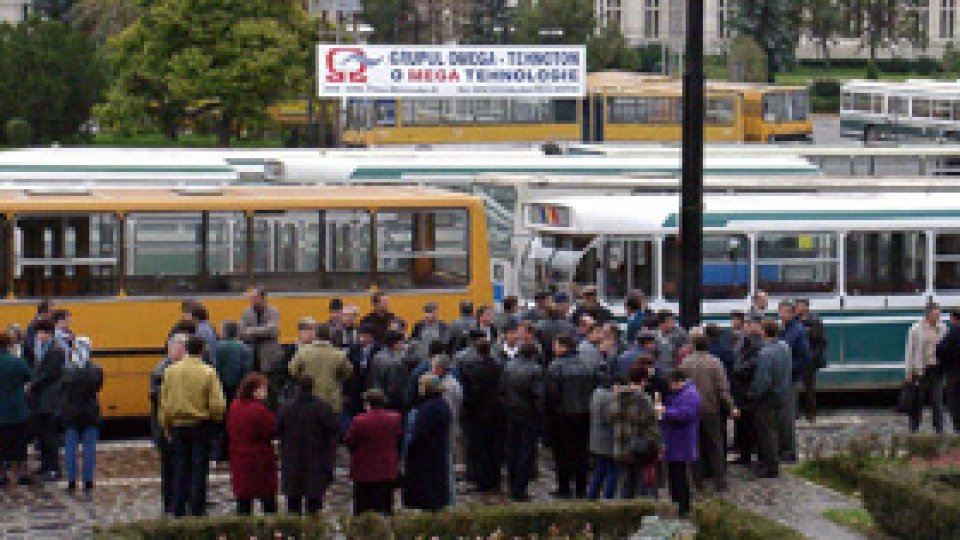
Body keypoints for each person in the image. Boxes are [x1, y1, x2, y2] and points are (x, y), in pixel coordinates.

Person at [158, 335, 227, 517]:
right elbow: (217, 404)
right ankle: (197, 507)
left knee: (180, 467)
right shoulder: (208, 372)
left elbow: (164, 401)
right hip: (200, 425)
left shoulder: (170, 371)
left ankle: (178, 506)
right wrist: (216, 419)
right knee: (199, 468)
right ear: (202, 350)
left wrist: (165, 425)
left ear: (186, 348)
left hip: (177, 425)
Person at [547, 334, 602, 499]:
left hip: (563, 416)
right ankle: (581, 487)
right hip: (585, 414)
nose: (553, 348)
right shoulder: (587, 364)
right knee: (581, 453)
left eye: (555, 345)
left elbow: (552, 395)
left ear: (564, 347)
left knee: (562, 453)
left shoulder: (556, 366)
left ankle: (564, 487)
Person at [680, 330, 735, 492]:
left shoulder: (685, 363)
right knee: (715, 446)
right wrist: (731, 406)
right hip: (711, 409)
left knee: (694, 446)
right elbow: (723, 388)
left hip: (691, 410)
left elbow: (679, 386)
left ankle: (697, 482)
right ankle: (720, 481)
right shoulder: (715, 362)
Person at [277, 376, 339, 514]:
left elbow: (278, 430)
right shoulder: (323, 408)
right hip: (316, 462)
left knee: (292, 506)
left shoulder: (286, 408)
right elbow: (333, 433)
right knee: (315, 507)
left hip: (292, 462)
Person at [344, 388, 403, 515]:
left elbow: (349, 441)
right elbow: (398, 439)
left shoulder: (359, 421)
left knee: (363, 508)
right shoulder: (395, 418)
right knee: (385, 507)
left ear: (367, 403)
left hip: (364, 471)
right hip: (387, 470)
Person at [226, 373, 278, 515]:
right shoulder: (259, 410)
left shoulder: (234, 406)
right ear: (254, 391)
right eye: (264, 389)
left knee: (243, 500)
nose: (266, 393)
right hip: (260, 459)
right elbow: (272, 429)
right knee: (267, 500)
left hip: (239, 457)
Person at [458, 338, 504, 493]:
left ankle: (482, 480)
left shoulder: (472, 369)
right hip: (496, 413)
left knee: (480, 448)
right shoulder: (498, 367)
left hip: (477, 414)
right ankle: (494, 479)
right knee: (495, 447)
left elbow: (470, 393)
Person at [609, 364, 662, 499]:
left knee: (624, 488)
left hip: (620, 448)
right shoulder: (643, 399)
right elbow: (651, 427)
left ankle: (624, 517)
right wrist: (659, 447)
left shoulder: (616, 397)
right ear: (643, 380)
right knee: (641, 489)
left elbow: (611, 419)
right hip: (639, 450)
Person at [501, 342, 545, 501]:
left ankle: (512, 484)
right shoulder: (535, 370)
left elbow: (502, 389)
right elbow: (538, 396)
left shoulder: (508, 366)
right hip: (528, 415)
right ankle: (520, 489)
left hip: (512, 413)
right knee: (526, 453)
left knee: (512, 450)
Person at [403, 374, 453, 511]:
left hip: (426, 456)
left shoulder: (428, 409)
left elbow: (419, 434)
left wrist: (410, 449)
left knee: (427, 491)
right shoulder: (442, 405)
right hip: (437, 452)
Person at [749, 320, 792, 478]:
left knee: (767, 432)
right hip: (782, 393)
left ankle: (771, 466)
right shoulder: (785, 347)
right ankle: (775, 461)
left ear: (764, 332)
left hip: (767, 398)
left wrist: (754, 394)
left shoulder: (765, 353)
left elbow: (763, 380)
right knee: (776, 429)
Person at [151, 333, 187, 515]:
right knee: (170, 466)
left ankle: (176, 501)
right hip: (166, 427)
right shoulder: (163, 370)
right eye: (181, 349)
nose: (184, 353)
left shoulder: (166, 368)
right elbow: (158, 398)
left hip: (170, 426)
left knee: (177, 465)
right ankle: (171, 502)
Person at [61, 337, 103, 494]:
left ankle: (71, 480)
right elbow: (98, 388)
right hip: (90, 412)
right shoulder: (96, 370)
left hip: (71, 413)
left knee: (70, 448)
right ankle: (88, 480)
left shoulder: (67, 370)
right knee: (89, 449)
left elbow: (63, 390)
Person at [659, 369, 701, 518]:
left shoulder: (690, 394)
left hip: (681, 441)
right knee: (674, 474)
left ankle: (683, 506)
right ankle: (677, 503)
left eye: (671, 384)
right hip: (675, 440)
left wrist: (665, 412)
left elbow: (686, 414)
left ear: (678, 382)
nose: (670, 387)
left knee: (679, 476)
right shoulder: (683, 393)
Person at [288, 320, 353, 415]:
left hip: (309, 398)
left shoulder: (303, 352)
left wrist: (303, 379)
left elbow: (292, 370)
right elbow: (348, 373)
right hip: (331, 399)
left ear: (316, 335)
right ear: (330, 336)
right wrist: (337, 378)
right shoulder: (339, 354)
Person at [30, 318, 66, 481]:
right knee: (42, 434)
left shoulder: (55, 350)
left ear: (49, 333)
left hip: (50, 398)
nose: (39, 336)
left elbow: (50, 375)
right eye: (38, 333)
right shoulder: (43, 348)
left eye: (42, 333)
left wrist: (32, 385)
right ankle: (45, 465)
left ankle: (53, 468)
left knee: (50, 435)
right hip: (41, 398)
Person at [906, 303, 948, 434]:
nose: (938, 317)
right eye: (935, 314)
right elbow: (910, 351)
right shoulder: (916, 329)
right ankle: (914, 426)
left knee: (937, 400)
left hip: (937, 367)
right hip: (921, 368)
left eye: (938, 314)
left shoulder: (942, 328)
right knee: (918, 400)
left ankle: (939, 428)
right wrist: (909, 371)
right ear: (928, 314)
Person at [214, 321, 253, 461]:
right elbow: (247, 370)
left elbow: (214, 368)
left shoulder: (217, 348)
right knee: (237, 420)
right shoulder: (245, 349)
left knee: (222, 421)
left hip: (221, 388)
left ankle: (220, 452)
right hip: (238, 389)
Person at [777, 301, 811, 461]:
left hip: (790, 379)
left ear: (791, 313)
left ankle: (789, 451)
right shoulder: (784, 330)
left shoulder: (797, 331)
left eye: (784, 312)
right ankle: (783, 448)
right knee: (781, 416)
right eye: (780, 311)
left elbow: (804, 356)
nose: (781, 315)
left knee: (787, 416)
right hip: (783, 378)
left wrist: (790, 371)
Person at [0, 330, 33, 487]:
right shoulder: (17, 362)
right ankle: (22, 474)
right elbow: (29, 378)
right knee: (20, 443)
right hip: (17, 409)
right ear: (9, 344)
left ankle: (2, 474)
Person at [731, 316, 763, 465]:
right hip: (742, 389)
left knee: (751, 424)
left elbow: (753, 362)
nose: (746, 327)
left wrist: (739, 369)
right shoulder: (744, 340)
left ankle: (750, 454)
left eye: (749, 324)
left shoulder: (757, 343)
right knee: (744, 423)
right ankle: (745, 453)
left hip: (748, 388)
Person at [794, 299, 826, 423]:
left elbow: (821, 341)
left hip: (809, 359)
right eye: (796, 306)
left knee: (809, 388)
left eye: (799, 306)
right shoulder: (794, 321)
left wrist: (813, 356)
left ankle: (811, 413)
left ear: (806, 307)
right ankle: (795, 413)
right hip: (796, 359)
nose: (797, 308)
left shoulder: (814, 321)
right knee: (794, 387)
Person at [238, 286, 281, 374]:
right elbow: (241, 332)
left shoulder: (273, 312)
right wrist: (263, 330)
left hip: (268, 355)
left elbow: (272, 330)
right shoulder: (246, 313)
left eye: (254, 297)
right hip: (252, 354)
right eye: (251, 297)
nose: (251, 300)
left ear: (263, 298)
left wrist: (251, 330)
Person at [588, 380, 617, 500]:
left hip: (597, 441)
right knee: (612, 471)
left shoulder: (596, 394)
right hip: (608, 441)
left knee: (599, 470)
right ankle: (608, 498)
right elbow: (610, 419)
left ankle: (592, 496)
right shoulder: (609, 399)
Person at [368, 330, 411, 412]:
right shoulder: (398, 360)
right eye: (401, 342)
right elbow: (397, 383)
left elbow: (373, 378)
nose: (403, 345)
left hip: (379, 396)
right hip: (394, 398)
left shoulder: (377, 356)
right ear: (394, 344)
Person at [937, 310, 960, 433]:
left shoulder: (953, 332)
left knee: (954, 400)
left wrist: (946, 364)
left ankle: (958, 427)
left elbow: (940, 349)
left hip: (954, 371)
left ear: (954, 319)